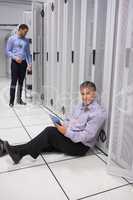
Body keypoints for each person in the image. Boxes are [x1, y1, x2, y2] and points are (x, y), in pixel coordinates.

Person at [0, 81, 106, 164]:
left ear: (94, 94)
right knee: (41, 143)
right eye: (82, 94)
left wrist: (66, 132)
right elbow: (69, 119)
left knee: (49, 132)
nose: (84, 97)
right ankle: (9, 150)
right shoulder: (79, 106)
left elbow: (86, 136)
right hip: (69, 137)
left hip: (80, 146)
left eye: (88, 93)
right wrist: (62, 125)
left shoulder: (98, 113)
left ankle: (18, 155)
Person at [6, 24, 32, 107]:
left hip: (23, 64)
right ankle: (11, 101)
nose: (26, 34)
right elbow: (8, 51)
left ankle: (19, 99)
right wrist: (15, 58)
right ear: (20, 29)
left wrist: (29, 64)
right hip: (15, 63)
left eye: (26, 32)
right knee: (14, 82)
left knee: (21, 82)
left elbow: (28, 53)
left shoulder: (26, 41)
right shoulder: (12, 39)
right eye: (25, 32)